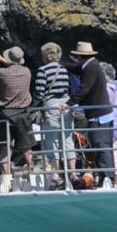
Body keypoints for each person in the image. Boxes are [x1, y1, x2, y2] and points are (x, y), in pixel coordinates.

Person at [0, 47, 34, 188]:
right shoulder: (26, 71)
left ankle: (6, 181)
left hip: (6, 115)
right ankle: (33, 176)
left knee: (5, 150)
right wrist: (4, 60)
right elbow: (14, 67)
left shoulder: (2, 73)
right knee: (26, 148)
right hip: (23, 113)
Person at [61, 41, 113, 186]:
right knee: (102, 147)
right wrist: (59, 64)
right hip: (102, 114)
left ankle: (107, 179)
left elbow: (84, 89)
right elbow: (77, 69)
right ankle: (106, 178)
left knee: (100, 147)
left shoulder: (91, 68)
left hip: (99, 116)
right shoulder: (91, 65)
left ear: (79, 56)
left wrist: (68, 104)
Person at [33, 42, 71, 184]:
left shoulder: (43, 70)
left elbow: (39, 92)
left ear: (45, 56)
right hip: (66, 106)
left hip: (51, 107)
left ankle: (56, 176)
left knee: (52, 141)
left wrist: (35, 104)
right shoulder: (65, 69)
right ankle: (72, 174)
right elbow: (70, 88)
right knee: (68, 140)